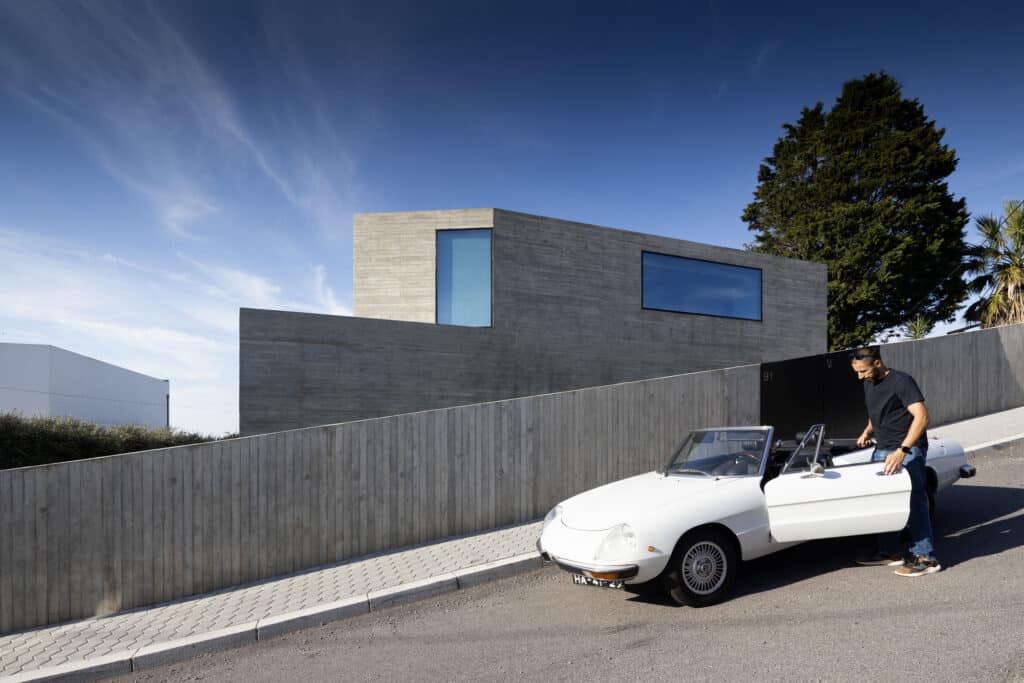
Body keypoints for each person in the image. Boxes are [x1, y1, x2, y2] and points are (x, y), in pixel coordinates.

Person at [849, 345, 940, 576]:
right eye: (857, 372)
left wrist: (903, 450)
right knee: (885, 501)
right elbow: (877, 413)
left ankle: (926, 558)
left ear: (877, 363)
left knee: (914, 502)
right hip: (882, 448)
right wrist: (867, 431)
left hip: (906, 450)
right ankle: (888, 552)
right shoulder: (868, 383)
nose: (861, 377)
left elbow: (922, 416)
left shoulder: (902, 381)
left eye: (864, 371)